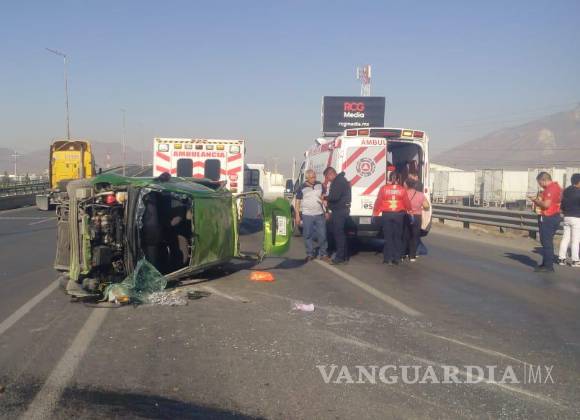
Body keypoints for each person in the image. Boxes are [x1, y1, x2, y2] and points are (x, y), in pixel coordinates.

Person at [373, 172, 411, 265]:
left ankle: (387, 258)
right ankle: (396, 258)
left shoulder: (384, 188)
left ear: (389, 178)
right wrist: (410, 212)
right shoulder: (402, 189)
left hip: (387, 215)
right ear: (398, 179)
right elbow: (406, 202)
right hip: (399, 215)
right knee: (397, 237)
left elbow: (379, 201)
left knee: (388, 237)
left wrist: (375, 213)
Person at [529, 172, 562, 272]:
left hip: (548, 217)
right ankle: (545, 263)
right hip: (554, 216)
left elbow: (546, 205)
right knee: (546, 241)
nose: (540, 185)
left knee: (546, 242)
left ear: (543, 180)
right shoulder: (557, 187)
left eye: (539, 183)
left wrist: (535, 200)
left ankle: (548, 266)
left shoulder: (550, 189)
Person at [294, 169, 330, 263]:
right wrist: (297, 215)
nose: (314, 179)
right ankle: (310, 254)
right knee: (307, 235)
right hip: (307, 215)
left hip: (319, 214)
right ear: (307, 178)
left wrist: (326, 208)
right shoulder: (302, 187)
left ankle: (323, 254)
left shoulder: (320, 185)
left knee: (322, 234)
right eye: (312, 177)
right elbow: (297, 202)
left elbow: (324, 197)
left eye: (314, 177)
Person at [323, 167, 351, 265]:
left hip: (340, 211)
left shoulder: (338, 182)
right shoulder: (340, 180)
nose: (328, 180)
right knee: (340, 234)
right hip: (340, 210)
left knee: (339, 234)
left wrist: (325, 198)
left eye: (327, 177)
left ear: (331, 174)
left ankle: (340, 257)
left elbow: (335, 197)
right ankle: (343, 256)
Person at [404, 178, 430, 262]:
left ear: (406, 185)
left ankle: (404, 253)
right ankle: (412, 256)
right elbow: (426, 206)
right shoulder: (420, 195)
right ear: (414, 185)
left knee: (406, 235)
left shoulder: (404, 193)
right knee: (415, 236)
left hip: (407, 215)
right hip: (417, 217)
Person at [558, 173, 580, 267]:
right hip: (576, 218)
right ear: (578, 182)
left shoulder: (566, 191)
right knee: (575, 240)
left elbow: (562, 204)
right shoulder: (579, 191)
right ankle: (575, 260)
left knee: (565, 238)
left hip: (566, 217)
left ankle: (561, 259)